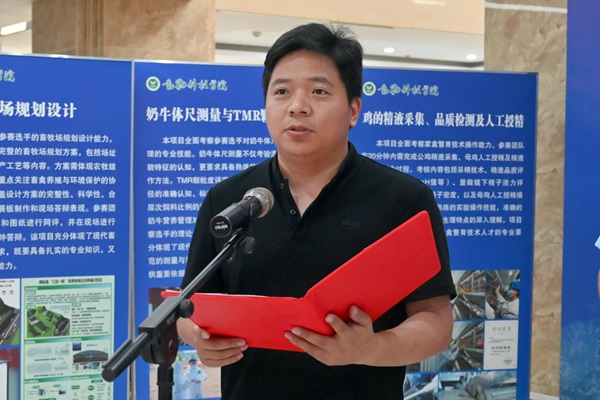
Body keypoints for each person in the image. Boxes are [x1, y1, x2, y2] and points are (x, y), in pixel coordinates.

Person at [177, 22, 456, 399]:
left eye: (319, 91)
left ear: (353, 109)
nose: (297, 106)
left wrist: (370, 348)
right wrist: (199, 338)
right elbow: (190, 309)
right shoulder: (230, 200)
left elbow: (435, 321)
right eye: (281, 92)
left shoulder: (403, 199)